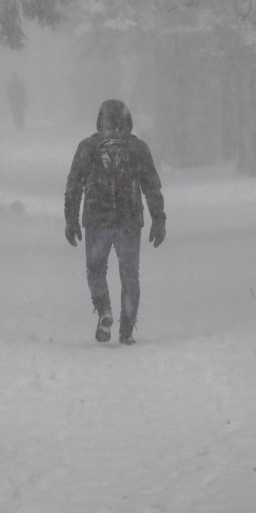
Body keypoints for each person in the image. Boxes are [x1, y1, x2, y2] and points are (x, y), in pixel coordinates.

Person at [64, 99, 165, 345]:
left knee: (96, 270)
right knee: (130, 275)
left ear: (100, 122)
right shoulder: (138, 148)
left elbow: (73, 186)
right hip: (128, 220)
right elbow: (151, 186)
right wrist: (158, 218)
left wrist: (71, 220)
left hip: (97, 220)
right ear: (128, 121)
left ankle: (104, 310)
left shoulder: (87, 147)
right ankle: (127, 329)